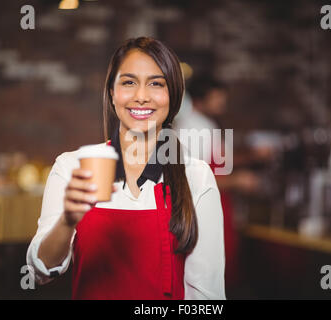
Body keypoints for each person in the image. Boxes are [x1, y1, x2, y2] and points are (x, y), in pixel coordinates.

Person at [26, 37, 226, 300]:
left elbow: (207, 297)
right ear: (111, 92)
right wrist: (67, 220)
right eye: (129, 82)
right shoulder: (71, 166)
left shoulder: (196, 176)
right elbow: (39, 272)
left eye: (156, 83)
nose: (141, 97)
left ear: (173, 95)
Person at [173, 75, 259, 295]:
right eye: (216, 97)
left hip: (218, 205)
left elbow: (222, 160)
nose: (222, 101)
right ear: (200, 100)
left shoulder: (205, 124)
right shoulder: (193, 128)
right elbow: (192, 179)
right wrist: (237, 180)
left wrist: (253, 155)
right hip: (202, 210)